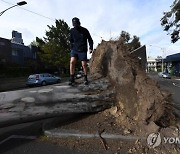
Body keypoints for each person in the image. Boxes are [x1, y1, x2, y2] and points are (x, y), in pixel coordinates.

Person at [69, 17, 93, 85]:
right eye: (74, 24)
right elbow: (70, 40)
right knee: (72, 62)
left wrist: (91, 48)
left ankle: (85, 78)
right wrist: (71, 47)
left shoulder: (84, 30)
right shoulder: (72, 31)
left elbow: (90, 40)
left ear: (79, 23)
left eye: (76, 24)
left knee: (84, 64)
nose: (75, 25)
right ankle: (72, 78)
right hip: (74, 49)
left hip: (82, 49)